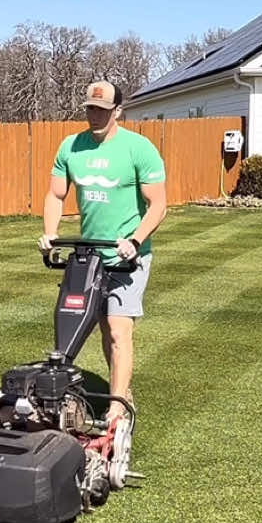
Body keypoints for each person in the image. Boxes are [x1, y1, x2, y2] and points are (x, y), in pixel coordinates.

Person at [39, 80, 167, 416]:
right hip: (91, 257)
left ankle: (116, 408)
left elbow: (158, 205)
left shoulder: (138, 148)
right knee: (85, 328)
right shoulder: (72, 146)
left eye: (102, 110)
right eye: (90, 109)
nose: (94, 115)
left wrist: (135, 240)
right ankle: (117, 391)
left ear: (118, 112)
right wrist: (50, 233)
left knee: (117, 329)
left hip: (128, 257)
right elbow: (56, 194)